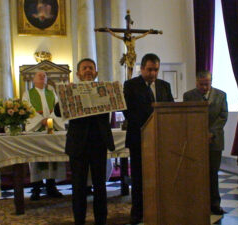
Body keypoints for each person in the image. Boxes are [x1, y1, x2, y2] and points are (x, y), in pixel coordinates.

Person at [123, 53, 174, 224]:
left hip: (161, 140)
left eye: (156, 70)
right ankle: (137, 212)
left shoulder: (164, 86)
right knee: (139, 178)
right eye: (150, 69)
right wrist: (149, 123)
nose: (153, 73)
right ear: (142, 68)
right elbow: (127, 111)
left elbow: (170, 109)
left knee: (160, 176)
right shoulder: (130, 85)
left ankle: (160, 208)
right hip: (139, 139)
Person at [65, 58, 115, 225]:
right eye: (84, 68)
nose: (88, 71)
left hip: (99, 144)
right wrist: (66, 96)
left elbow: (118, 103)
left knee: (100, 187)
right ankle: (79, 221)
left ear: (96, 73)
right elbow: (59, 110)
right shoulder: (70, 90)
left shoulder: (105, 90)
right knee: (78, 187)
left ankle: (101, 221)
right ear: (78, 73)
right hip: (77, 145)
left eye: (91, 68)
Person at [183, 70, 228, 215]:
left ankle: (215, 204)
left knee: (213, 173)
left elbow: (222, 117)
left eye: (207, 84)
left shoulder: (221, 95)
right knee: (196, 173)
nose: (204, 87)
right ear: (196, 83)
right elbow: (187, 117)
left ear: (211, 82)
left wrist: (211, 133)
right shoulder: (188, 96)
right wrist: (199, 133)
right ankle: (196, 203)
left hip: (215, 141)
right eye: (201, 84)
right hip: (195, 140)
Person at [22, 71, 66, 201]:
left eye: (44, 76)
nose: (42, 77)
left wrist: (50, 120)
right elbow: (27, 109)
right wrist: (40, 120)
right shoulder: (28, 94)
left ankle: (51, 186)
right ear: (34, 79)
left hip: (51, 130)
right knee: (37, 158)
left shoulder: (52, 93)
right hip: (36, 130)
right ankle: (36, 188)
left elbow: (58, 108)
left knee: (52, 157)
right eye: (39, 75)